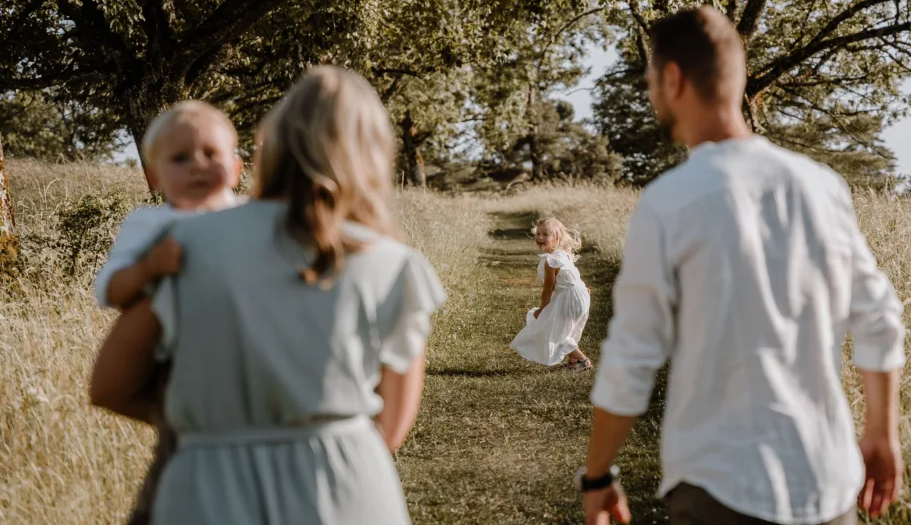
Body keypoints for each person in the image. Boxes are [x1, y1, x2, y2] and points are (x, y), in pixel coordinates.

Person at [579, 7, 906, 525]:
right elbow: (880, 316)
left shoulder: (670, 201)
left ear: (673, 78)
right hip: (827, 484)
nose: (650, 96)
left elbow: (632, 355)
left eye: (650, 82)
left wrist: (597, 477)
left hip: (719, 485)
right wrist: (882, 433)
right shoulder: (820, 186)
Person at [90, 66, 447, 525]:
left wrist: (214, 423)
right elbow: (393, 426)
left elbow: (110, 386)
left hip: (205, 486)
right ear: (374, 157)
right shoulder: (395, 264)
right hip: (347, 487)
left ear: (268, 148)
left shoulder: (182, 244)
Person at [92, 100, 243, 525]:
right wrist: (148, 268)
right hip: (179, 363)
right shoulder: (150, 225)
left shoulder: (249, 219)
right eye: (180, 158)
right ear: (153, 175)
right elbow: (109, 290)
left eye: (211, 154)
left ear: (236, 168)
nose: (197, 165)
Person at [510, 216, 593, 371]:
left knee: (552, 330)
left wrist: (542, 310)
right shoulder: (564, 253)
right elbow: (572, 273)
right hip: (579, 295)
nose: (540, 238)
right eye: (538, 233)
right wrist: (582, 286)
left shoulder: (551, 261)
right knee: (566, 328)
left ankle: (583, 360)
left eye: (545, 234)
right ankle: (574, 360)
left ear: (556, 238)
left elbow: (548, 289)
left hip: (570, 297)